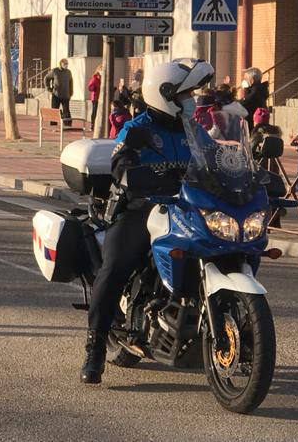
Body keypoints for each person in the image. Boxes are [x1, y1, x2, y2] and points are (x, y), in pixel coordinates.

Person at [81, 57, 215, 385]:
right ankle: (95, 346)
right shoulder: (138, 127)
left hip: (185, 208)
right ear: (165, 96)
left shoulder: (193, 130)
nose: (191, 101)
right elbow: (120, 159)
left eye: (192, 95)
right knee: (114, 268)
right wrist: (128, 171)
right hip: (141, 208)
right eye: (185, 96)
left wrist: (245, 170)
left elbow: (217, 158)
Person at [45, 59, 73, 126]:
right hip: (56, 95)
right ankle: (53, 125)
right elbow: (46, 78)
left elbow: (71, 82)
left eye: (67, 64)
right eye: (65, 64)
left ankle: (67, 125)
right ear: (61, 64)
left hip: (66, 95)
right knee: (54, 110)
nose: (66, 65)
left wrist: (71, 92)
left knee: (66, 110)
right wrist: (49, 88)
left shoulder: (68, 72)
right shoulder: (55, 71)